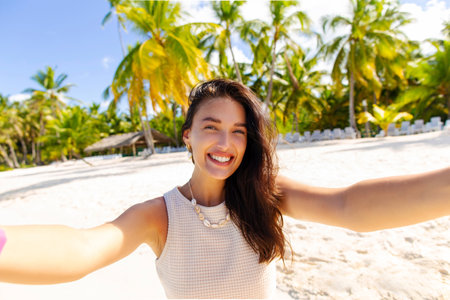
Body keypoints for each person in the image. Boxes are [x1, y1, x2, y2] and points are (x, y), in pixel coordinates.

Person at [0, 79, 449, 298]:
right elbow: (83, 248)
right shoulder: (159, 215)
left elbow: (351, 206)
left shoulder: (265, 192)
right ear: (188, 136)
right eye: (211, 127)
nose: (225, 143)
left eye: (238, 131)